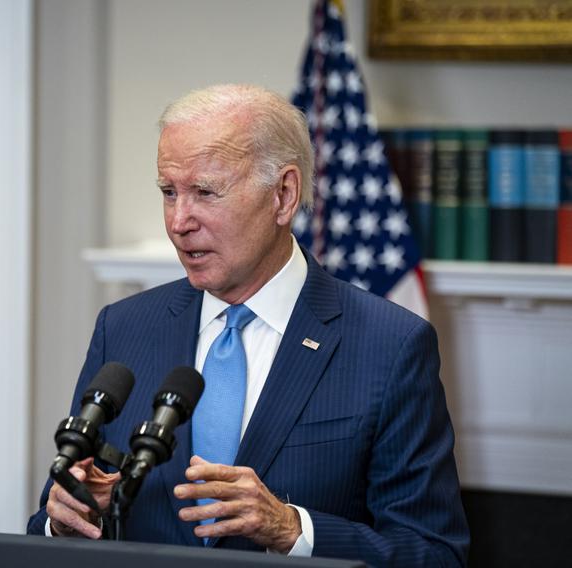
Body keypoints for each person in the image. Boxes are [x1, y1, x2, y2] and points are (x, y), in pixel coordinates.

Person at [27, 84, 469, 567]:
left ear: (283, 195)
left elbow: (435, 555)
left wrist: (291, 530)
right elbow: (52, 519)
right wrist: (64, 518)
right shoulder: (125, 327)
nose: (179, 221)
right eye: (169, 192)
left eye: (205, 192)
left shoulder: (390, 345)